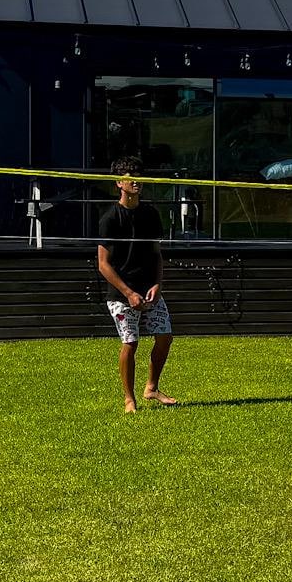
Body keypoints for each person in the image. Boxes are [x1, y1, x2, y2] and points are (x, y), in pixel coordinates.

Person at [96, 160, 178, 413]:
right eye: (130, 177)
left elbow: (157, 254)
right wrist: (128, 293)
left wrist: (157, 285)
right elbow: (103, 264)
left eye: (139, 176)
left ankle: (151, 388)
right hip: (121, 293)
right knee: (130, 343)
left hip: (148, 288)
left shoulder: (150, 214)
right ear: (119, 183)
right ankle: (129, 399)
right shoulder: (110, 218)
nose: (136, 181)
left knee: (164, 338)